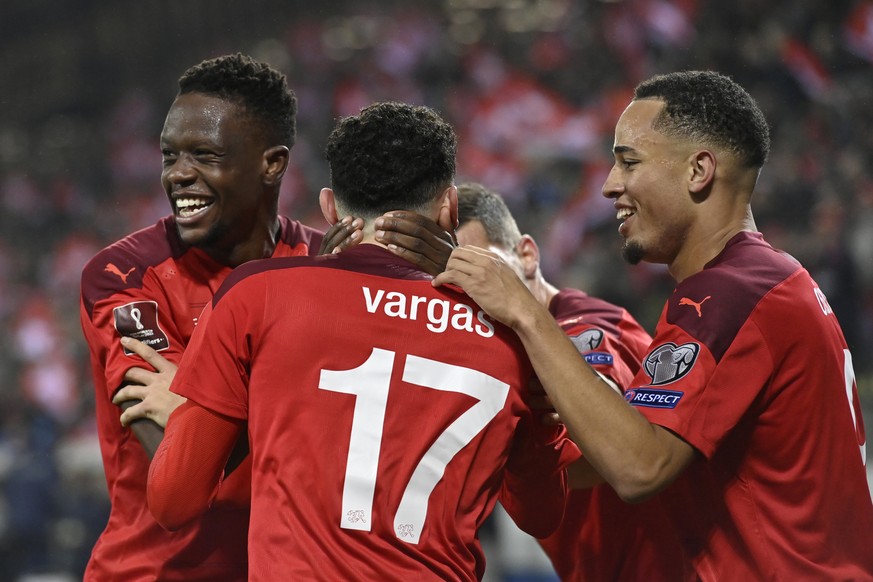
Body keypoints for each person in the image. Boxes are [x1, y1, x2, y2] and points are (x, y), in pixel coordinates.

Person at [436, 70, 873, 579]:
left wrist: (526, 313)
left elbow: (638, 465)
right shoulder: (763, 282)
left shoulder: (732, 294)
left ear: (698, 171)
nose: (608, 185)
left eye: (629, 161)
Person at [146, 101, 577, 581]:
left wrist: (199, 411)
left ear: (329, 207)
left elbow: (174, 502)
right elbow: (542, 515)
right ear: (450, 207)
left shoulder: (258, 295)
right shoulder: (512, 334)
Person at [79, 52, 382, 581]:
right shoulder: (123, 276)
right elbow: (176, 460)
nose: (179, 175)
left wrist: (202, 404)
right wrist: (306, 408)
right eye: (169, 156)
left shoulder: (327, 267)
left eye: (204, 155)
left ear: (272, 163)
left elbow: (373, 449)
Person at [455, 182, 687, 581]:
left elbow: (602, 455)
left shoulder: (580, 328)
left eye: (481, 270)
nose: (471, 294)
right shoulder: (505, 350)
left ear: (527, 255)